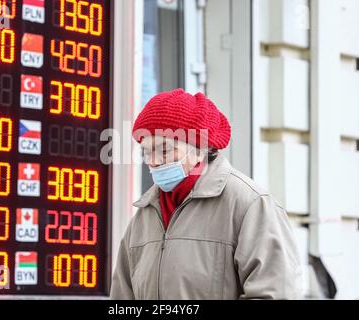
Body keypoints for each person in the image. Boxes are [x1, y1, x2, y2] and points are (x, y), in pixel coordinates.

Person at [110, 88, 302, 299]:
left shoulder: (250, 205)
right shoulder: (143, 217)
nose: (153, 161)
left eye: (165, 150)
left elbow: (275, 293)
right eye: (146, 152)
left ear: (200, 148)